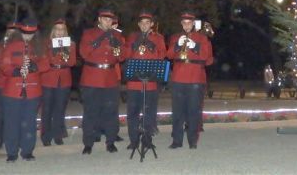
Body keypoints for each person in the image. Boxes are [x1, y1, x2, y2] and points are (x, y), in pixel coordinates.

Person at [0, 17, 49, 163]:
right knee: (12, 122)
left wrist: (35, 66)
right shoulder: (11, 46)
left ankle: (27, 151)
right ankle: (12, 152)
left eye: (31, 34)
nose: (28, 36)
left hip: (33, 90)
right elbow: (3, 64)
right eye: (25, 33)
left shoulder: (39, 46)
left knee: (29, 122)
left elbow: (46, 64)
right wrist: (15, 71)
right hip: (13, 90)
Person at [79, 9, 125, 154]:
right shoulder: (89, 33)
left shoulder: (117, 35)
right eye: (105, 19)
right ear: (99, 19)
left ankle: (110, 141)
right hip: (92, 77)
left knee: (111, 112)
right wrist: (99, 40)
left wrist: (116, 43)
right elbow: (84, 53)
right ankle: (88, 143)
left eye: (110, 20)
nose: (108, 22)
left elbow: (122, 56)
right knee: (90, 111)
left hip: (110, 78)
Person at [167, 11, 213, 149]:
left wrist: (195, 46)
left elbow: (208, 58)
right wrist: (176, 45)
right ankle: (176, 140)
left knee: (194, 111)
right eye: (184, 23)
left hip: (195, 79)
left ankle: (192, 140)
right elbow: (168, 54)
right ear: (181, 24)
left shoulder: (202, 38)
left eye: (189, 23)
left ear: (193, 24)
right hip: (178, 78)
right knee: (177, 111)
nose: (187, 25)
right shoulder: (176, 37)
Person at [123, 12, 166, 150]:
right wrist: (134, 45)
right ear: (138, 24)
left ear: (152, 24)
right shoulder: (132, 37)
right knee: (133, 113)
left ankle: (147, 140)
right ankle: (134, 140)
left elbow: (162, 55)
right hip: (134, 82)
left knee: (149, 112)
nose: (144, 25)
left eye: (147, 23)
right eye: (142, 23)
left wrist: (152, 46)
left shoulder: (158, 38)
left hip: (150, 82)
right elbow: (125, 56)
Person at [40, 18, 76, 147]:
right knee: (47, 109)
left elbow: (72, 62)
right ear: (53, 31)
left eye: (62, 29)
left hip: (64, 78)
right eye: (57, 29)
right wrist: (54, 53)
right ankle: (46, 136)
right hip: (49, 77)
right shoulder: (46, 44)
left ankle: (58, 135)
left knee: (60, 109)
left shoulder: (70, 44)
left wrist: (65, 52)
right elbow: (44, 60)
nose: (60, 32)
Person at [0, 22, 17, 151]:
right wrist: (6, 49)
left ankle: (13, 139)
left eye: (14, 32)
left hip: (16, 83)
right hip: (2, 83)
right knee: (1, 113)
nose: (11, 34)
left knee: (14, 114)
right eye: (9, 31)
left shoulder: (21, 46)